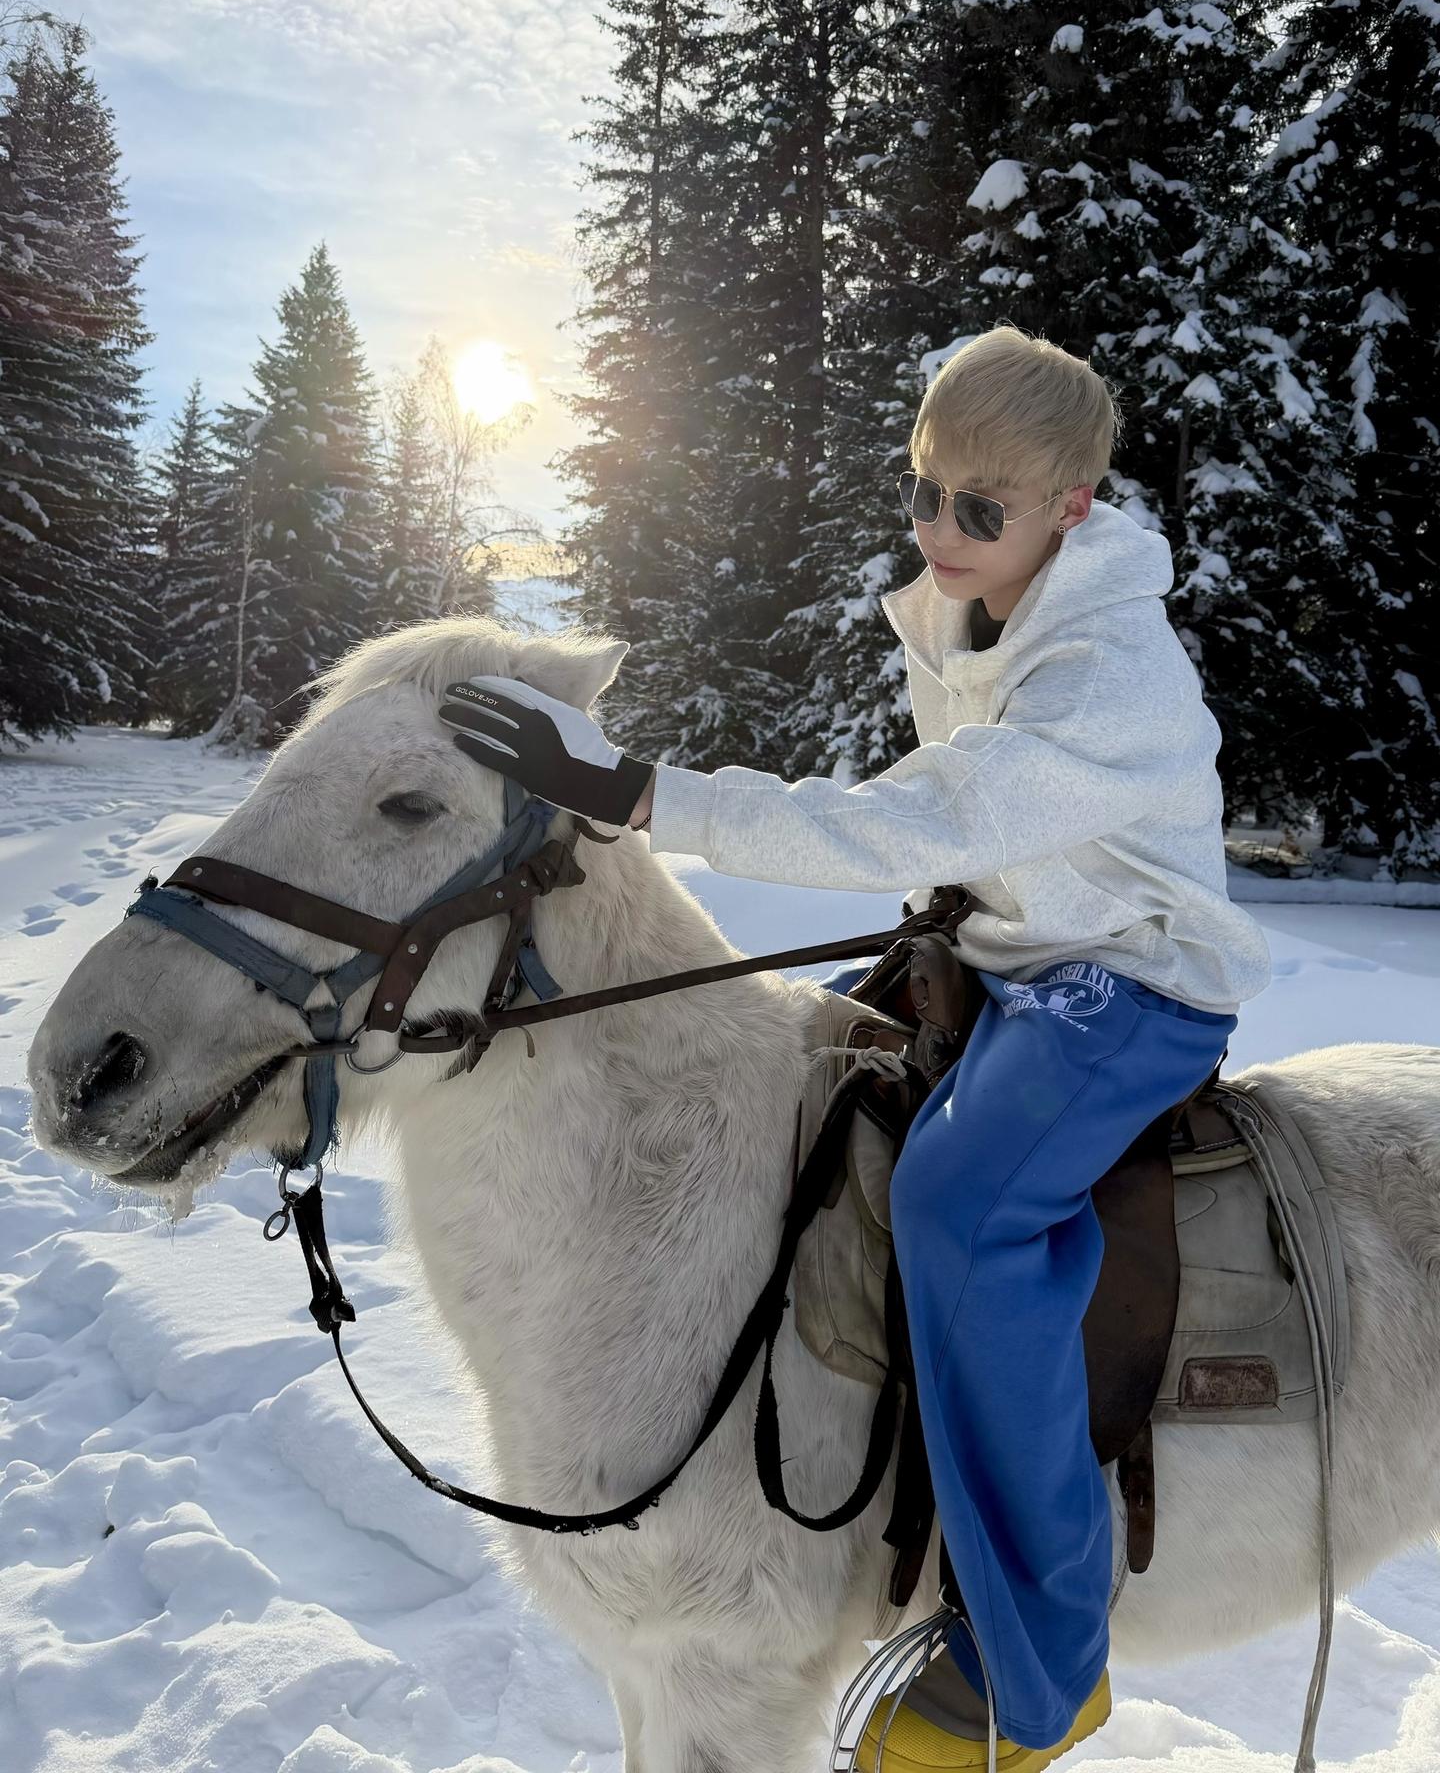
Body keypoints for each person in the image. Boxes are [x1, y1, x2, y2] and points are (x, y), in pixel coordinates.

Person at [437, 324, 1272, 1772]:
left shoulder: (1109, 675)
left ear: (1071, 505)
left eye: (978, 507)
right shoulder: (990, 610)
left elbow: (925, 813)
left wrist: (646, 794)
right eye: (924, 492)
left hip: (1130, 986)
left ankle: (1042, 1666)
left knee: (960, 1207)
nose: (940, 530)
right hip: (1020, 954)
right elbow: (978, 831)